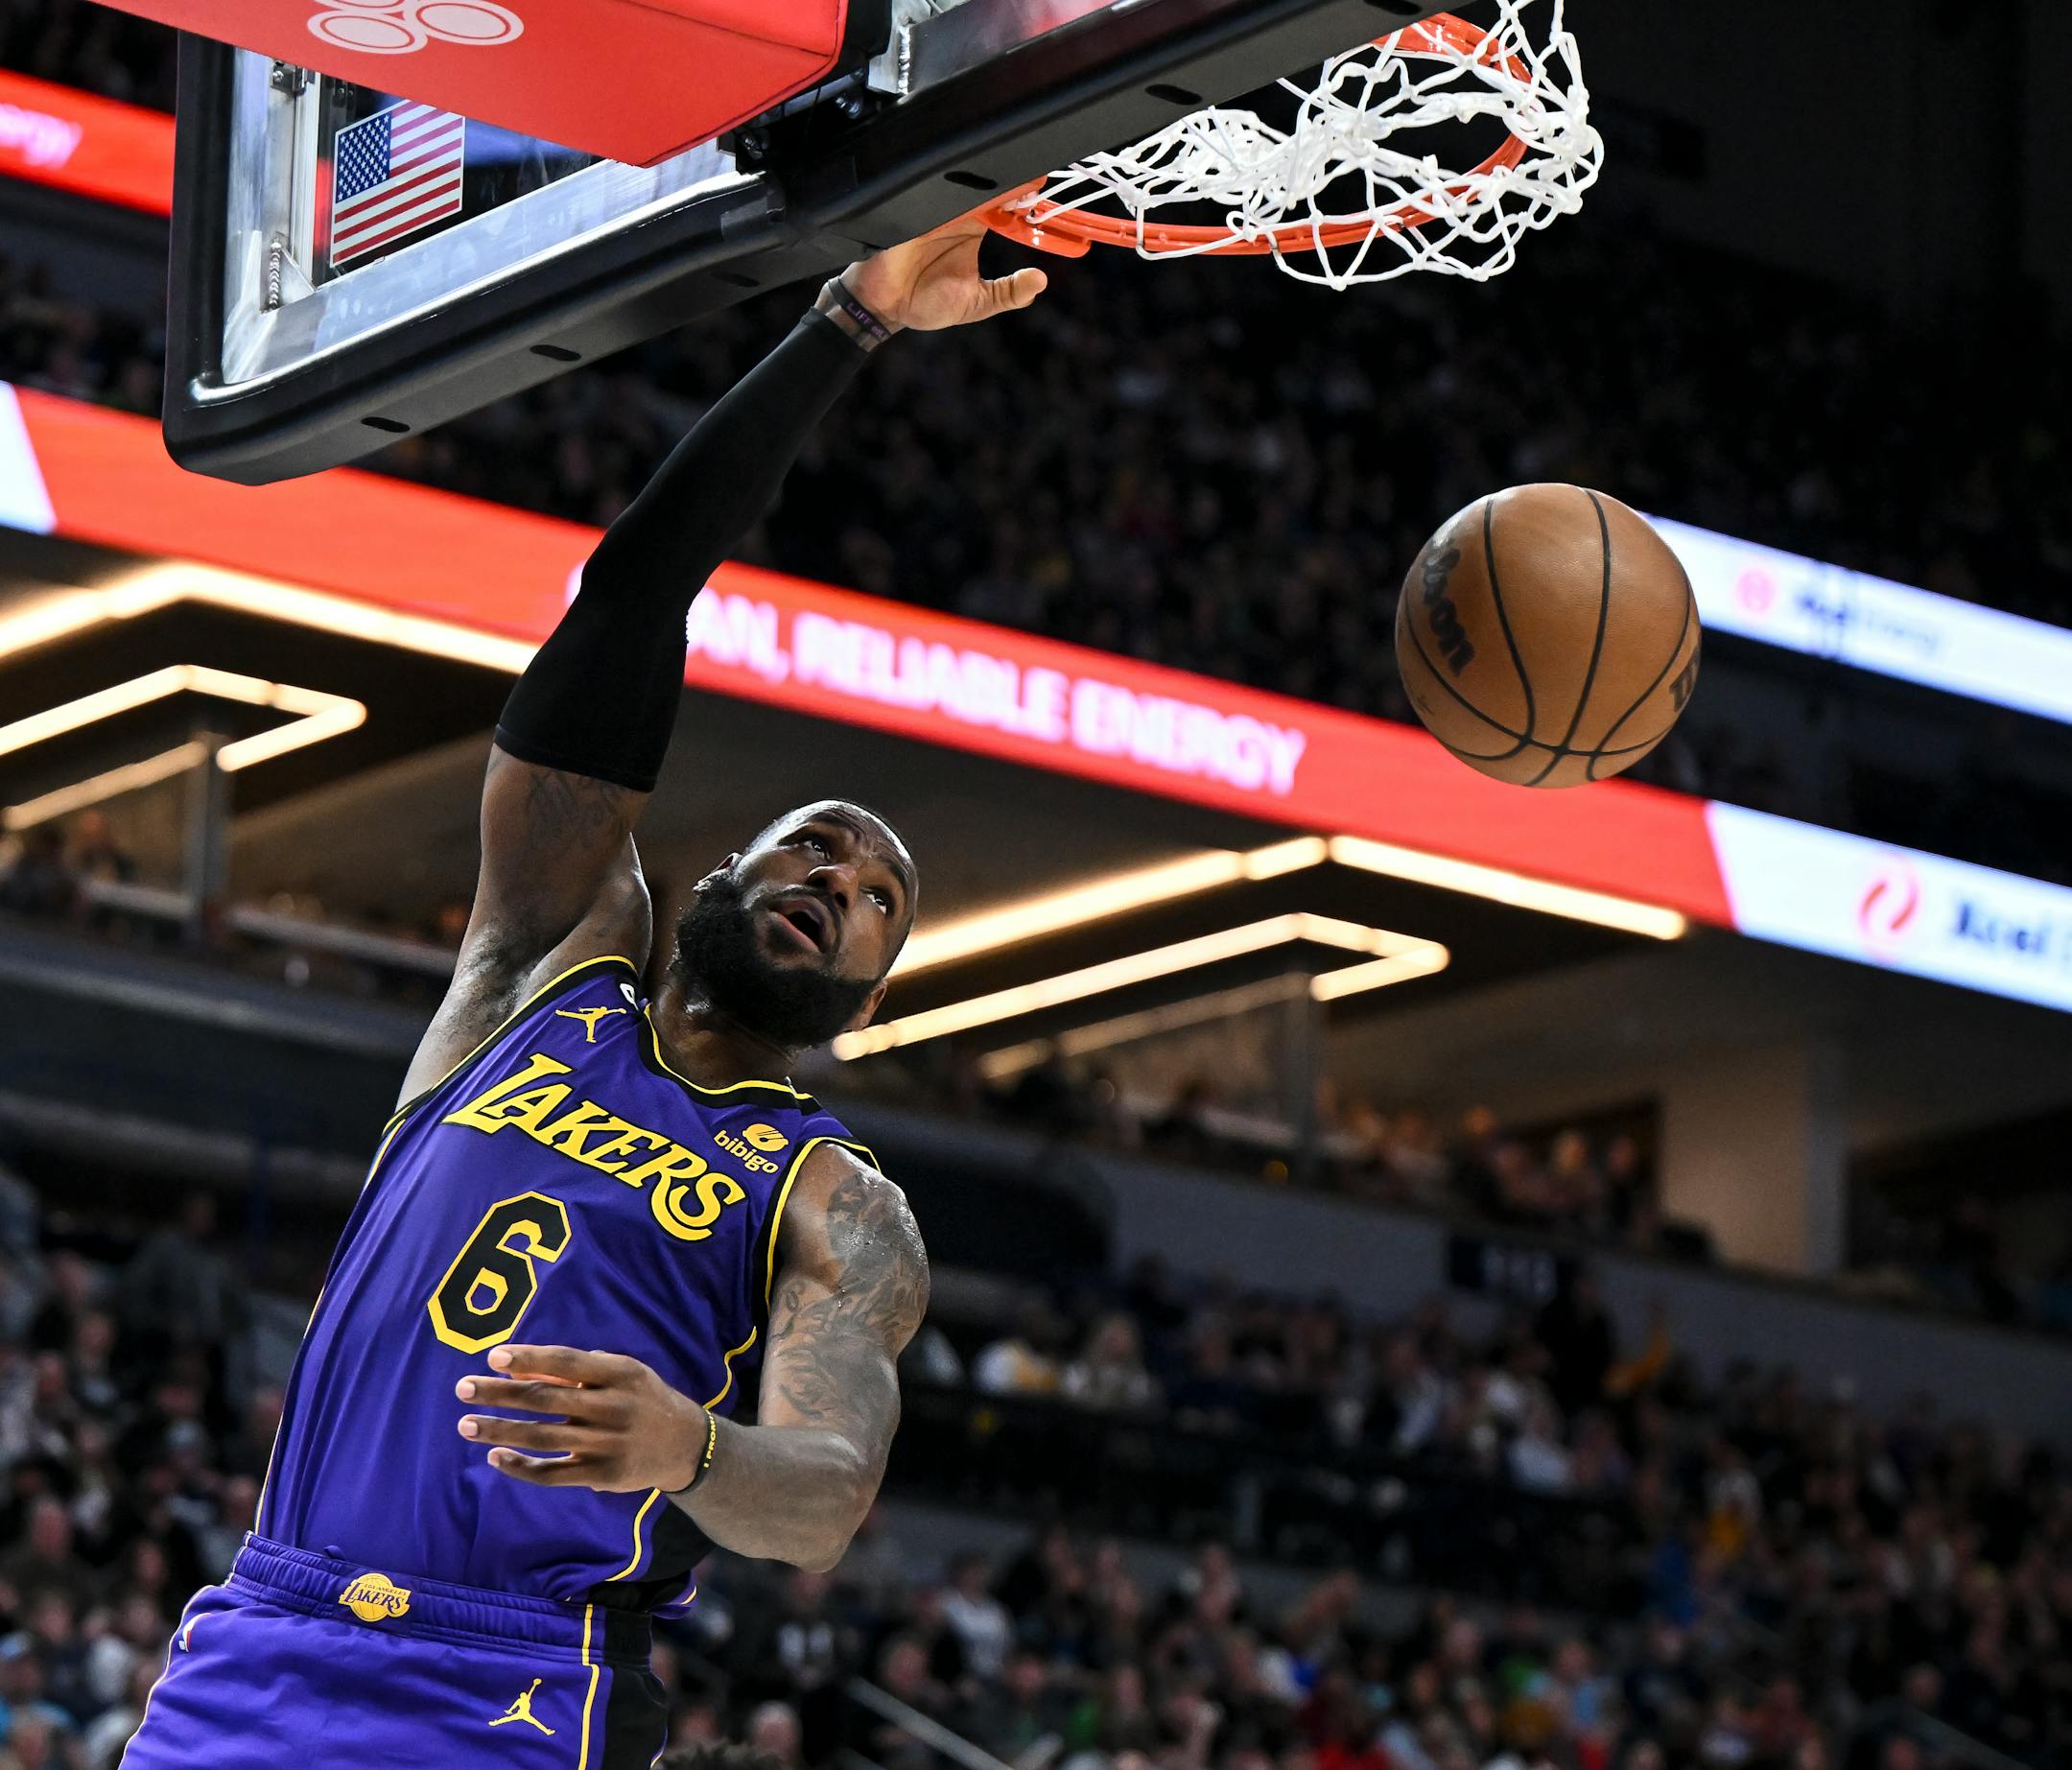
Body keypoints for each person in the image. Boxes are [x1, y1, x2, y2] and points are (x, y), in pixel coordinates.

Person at [122, 219, 1047, 1770]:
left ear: (872, 996)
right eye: (815, 850)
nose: (842, 885)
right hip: (265, 1632)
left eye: (881, 901)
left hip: (522, 1686)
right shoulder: (544, 961)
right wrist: (847, 324)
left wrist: (694, 1444)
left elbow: (824, 1493)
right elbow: (626, 601)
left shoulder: (835, 1197)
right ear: (719, 873)